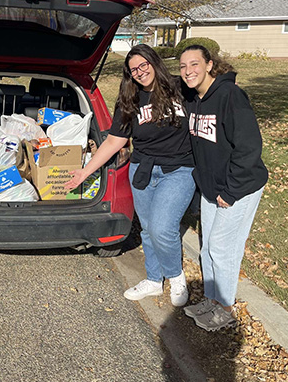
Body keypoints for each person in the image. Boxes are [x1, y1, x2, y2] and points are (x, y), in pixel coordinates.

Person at [65, 44, 195, 307]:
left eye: (143, 65)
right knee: (148, 228)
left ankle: (176, 276)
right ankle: (153, 280)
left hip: (179, 169)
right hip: (143, 169)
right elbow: (114, 141)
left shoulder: (181, 88)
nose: (140, 72)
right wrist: (85, 172)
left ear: (153, 62)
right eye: (134, 69)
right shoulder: (130, 99)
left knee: (163, 227)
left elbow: (212, 100)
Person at [179, 45, 268, 331]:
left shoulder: (230, 95)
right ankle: (212, 299)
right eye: (183, 66)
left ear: (208, 65)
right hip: (211, 186)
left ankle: (226, 310)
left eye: (194, 64)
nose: (188, 71)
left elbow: (249, 147)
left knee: (222, 248)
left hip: (239, 187)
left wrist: (230, 192)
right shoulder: (194, 99)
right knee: (208, 249)